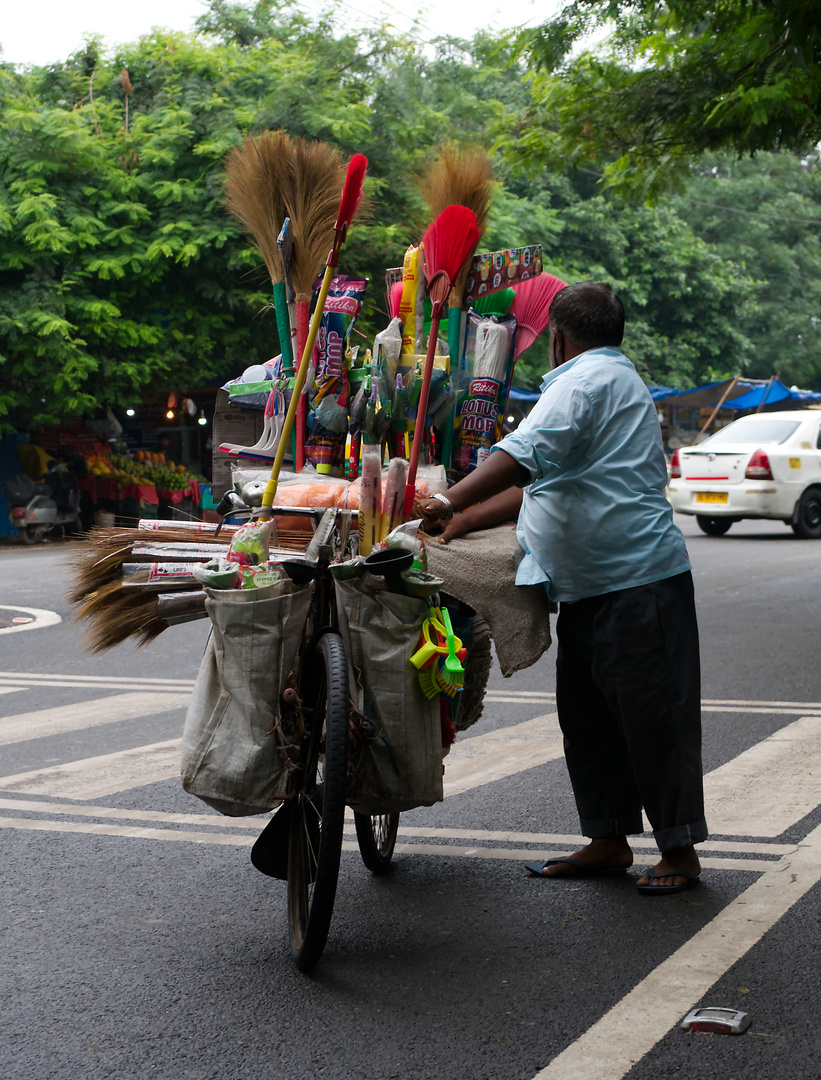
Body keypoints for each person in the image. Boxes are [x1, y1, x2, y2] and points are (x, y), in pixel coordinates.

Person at [415, 281, 706, 895]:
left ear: (557, 338)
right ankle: (607, 840)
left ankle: (679, 853)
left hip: (637, 583)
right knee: (590, 716)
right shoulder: (607, 380)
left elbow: (524, 454)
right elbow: (542, 479)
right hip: (592, 587)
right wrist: (464, 520)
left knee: (653, 719)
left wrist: (445, 498)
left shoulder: (582, 381)